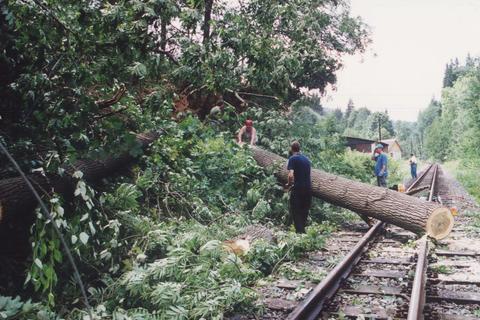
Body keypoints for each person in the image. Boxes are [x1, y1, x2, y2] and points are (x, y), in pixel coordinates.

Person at [286, 141, 312, 233]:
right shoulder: (306, 159)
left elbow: (290, 175)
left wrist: (289, 184)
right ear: (299, 149)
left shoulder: (292, 159)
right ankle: (302, 232)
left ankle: (299, 233)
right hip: (308, 189)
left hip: (298, 188)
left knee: (296, 210)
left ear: (291, 149)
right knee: (304, 210)